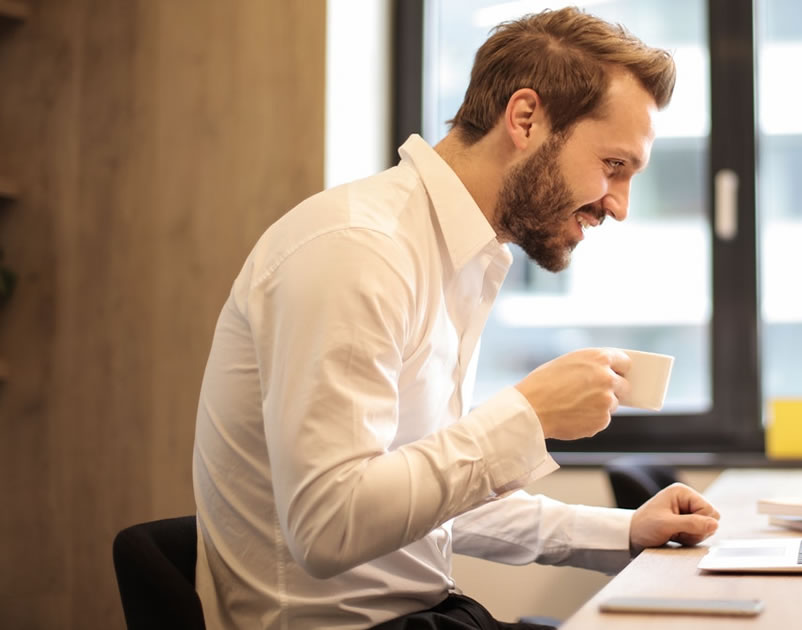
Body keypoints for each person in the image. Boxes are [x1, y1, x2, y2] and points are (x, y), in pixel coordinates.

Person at [192, 7, 720, 630]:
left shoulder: (460, 257)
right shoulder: (358, 250)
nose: (620, 205)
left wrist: (625, 530)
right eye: (613, 166)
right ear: (525, 119)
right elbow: (328, 526)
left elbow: (425, 499)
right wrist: (526, 416)